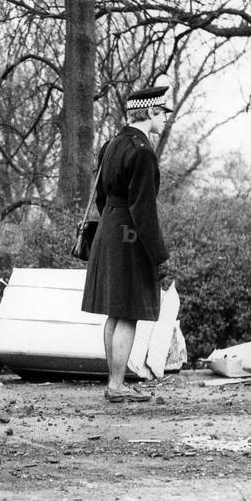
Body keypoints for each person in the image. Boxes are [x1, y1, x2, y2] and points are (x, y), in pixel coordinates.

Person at [81, 84, 172, 403]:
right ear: (150, 112)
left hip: (109, 229)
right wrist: (160, 258)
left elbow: (103, 198)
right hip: (129, 235)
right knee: (128, 312)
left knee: (114, 312)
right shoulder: (144, 151)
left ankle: (114, 382)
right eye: (162, 114)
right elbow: (144, 211)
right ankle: (117, 385)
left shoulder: (111, 145)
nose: (164, 121)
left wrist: (114, 224)